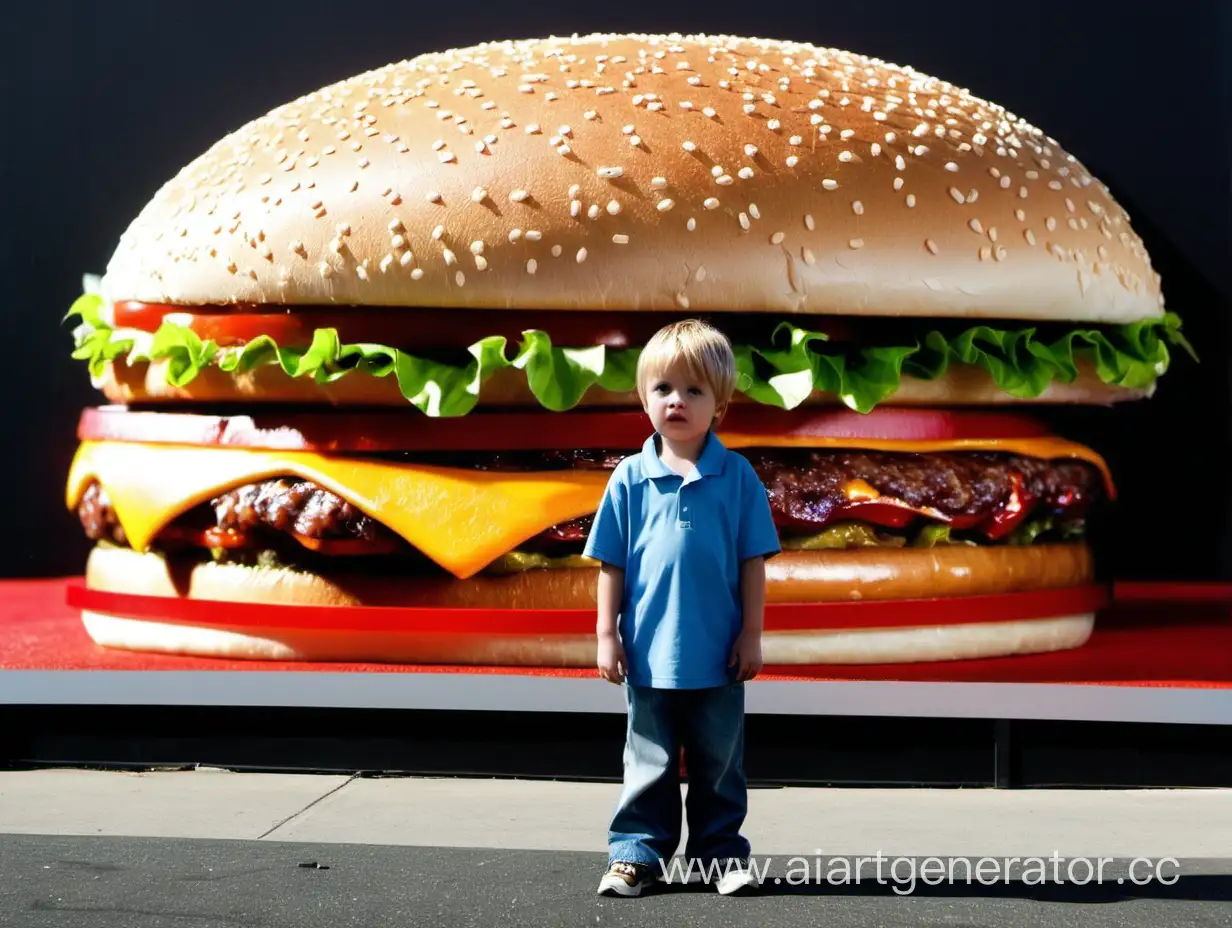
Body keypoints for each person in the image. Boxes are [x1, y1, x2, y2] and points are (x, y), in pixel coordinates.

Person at [584, 319, 782, 897]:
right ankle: (636, 856)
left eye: (695, 391)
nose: (677, 401)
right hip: (647, 654)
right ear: (643, 398)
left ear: (720, 406)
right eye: (664, 388)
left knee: (720, 764)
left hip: (720, 656)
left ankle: (720, 856)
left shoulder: (738, 476)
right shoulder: (627, 478)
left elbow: (752, 563)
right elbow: (610, 565)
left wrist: (752, 634)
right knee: (648, 762)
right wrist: (606, 635)